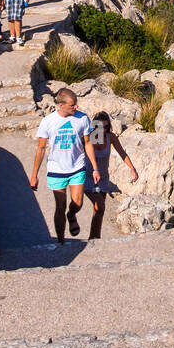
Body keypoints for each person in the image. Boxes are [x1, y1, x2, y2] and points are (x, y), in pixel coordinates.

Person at [31, 88, 100, 246]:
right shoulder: (48, 122)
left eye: (76, 104)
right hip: (56, 169)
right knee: (59, 206)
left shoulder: (82, 118)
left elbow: (87, 143)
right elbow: (41, 148)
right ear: (60, 105)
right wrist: (34, 175)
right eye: (72, 105)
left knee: (78, 203)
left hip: (77, 166)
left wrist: (95, 168)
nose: (76, 107)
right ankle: (61, 242)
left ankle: (72, 215)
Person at [84, 111, 138, 240]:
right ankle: (93, 237)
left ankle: (94, 237)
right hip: (88, 178)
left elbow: (122, 153)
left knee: (98, 210)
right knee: (100, 206)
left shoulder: (111, 137)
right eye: (99, 127)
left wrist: (132, 168)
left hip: (103, 178)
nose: (102, 130)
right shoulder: (88, 138)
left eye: (106, 127)